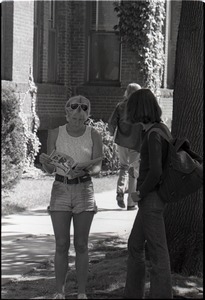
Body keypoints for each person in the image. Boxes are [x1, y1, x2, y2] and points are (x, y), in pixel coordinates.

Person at [39, 95, 103, 300]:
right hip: (60, 189)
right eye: (74, 112)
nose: (78, 116)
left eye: (83, 112)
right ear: (66, 112)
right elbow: (49, 168)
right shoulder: (55, 132)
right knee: (61, 244)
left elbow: (98, 167)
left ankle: (82, 293)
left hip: (84, 189)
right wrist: (45, 161)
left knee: (82, 244)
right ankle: (60, 292)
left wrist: (84, 171)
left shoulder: (94, 134)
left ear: (88, 114)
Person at [123, 88, 173, 299]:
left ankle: (161, 295)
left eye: (130, 106)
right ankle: (133, 294)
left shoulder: (153, 134)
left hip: (151, 200)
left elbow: (156, 171)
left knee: (157, 251)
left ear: (138, 109)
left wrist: (139, 193)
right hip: (152, 200)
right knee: (135, 245)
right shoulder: (160, 129)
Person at [108, 83, 142, 210]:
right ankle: (131, 203)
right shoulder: (141, 109)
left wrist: (112, 135)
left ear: (127, 93)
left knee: (123, 167)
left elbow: (111, 124)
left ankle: (120, 191)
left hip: (122, 142)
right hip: (136, 143)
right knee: (133, 171)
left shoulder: (120, 106)